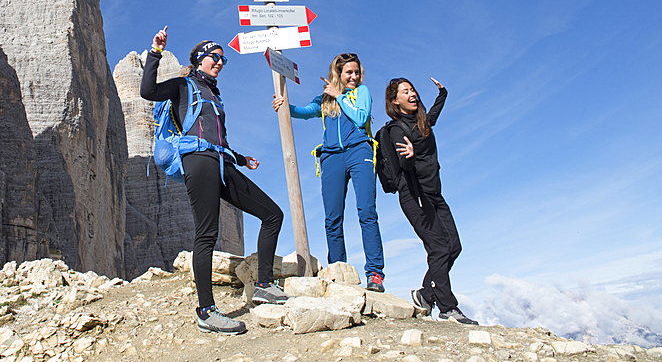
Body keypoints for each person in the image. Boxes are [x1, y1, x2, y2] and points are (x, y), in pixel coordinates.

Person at [141, 26, 285, 335]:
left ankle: (262, 285)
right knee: (207, 234)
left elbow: (217, 138)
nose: (220, 62)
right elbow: (148, 92)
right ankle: (206, 311)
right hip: (198, 161)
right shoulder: (183, 85)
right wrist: (155, 52)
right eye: (214, 57)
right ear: (199, 60)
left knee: (273, 214)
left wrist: (242, 158)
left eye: (223, 59)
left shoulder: (214, 95)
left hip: (221, 161)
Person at [272, 52, 386, 292]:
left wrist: (340, 97)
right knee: (332, 219)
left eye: (356, 72)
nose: (354, 76)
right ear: (338, 73)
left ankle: (375, 274)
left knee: (367, 212)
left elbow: (360, 117)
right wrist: (284, 106)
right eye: (349, 73)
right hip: (331, 157)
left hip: (359, 152)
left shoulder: (361, 93)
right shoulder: (325, 98)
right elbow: (305, 111)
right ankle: (338, 270)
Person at [383, 76, 478, 325]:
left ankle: (426, 295)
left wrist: (443, 93)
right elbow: (403, 163)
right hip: (415, 196)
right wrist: (410, 157)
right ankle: (448, 308)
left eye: (412, 89)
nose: (412, 93)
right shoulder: (396, 129)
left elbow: (433, 115)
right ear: (395, 101)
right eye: (405, 91)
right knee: (438, 248)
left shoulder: (422, 122)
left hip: (434, 194)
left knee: (453, 247)